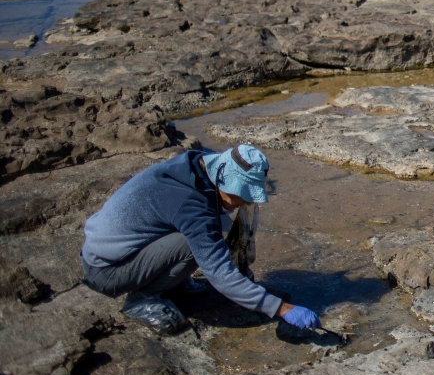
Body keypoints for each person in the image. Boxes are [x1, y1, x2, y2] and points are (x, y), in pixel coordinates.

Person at [80, 144, 321, 335]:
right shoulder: (192, 207)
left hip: (111, 250)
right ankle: (141, 298)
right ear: (225, 183)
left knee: (210, 233)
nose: (246, 202)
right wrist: (280, 308)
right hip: (107, 272)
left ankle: (170, 281)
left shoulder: (198, 166)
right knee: (194, 245)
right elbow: (219, 274)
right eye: (243, 195)